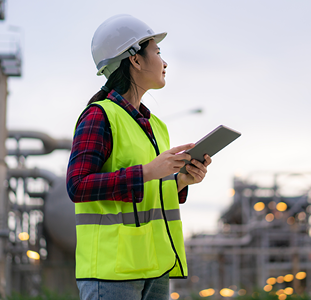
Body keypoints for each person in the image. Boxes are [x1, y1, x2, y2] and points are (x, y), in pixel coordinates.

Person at [66, 14, 211, 300]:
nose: (164, 62)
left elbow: (150, 192)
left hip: (155, 267)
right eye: (157, 51)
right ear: (135, 59)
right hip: (112, 273)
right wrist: (147, 171)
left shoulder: (156, 126)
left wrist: (182, 180)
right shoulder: (100, 115)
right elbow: (78, 185)